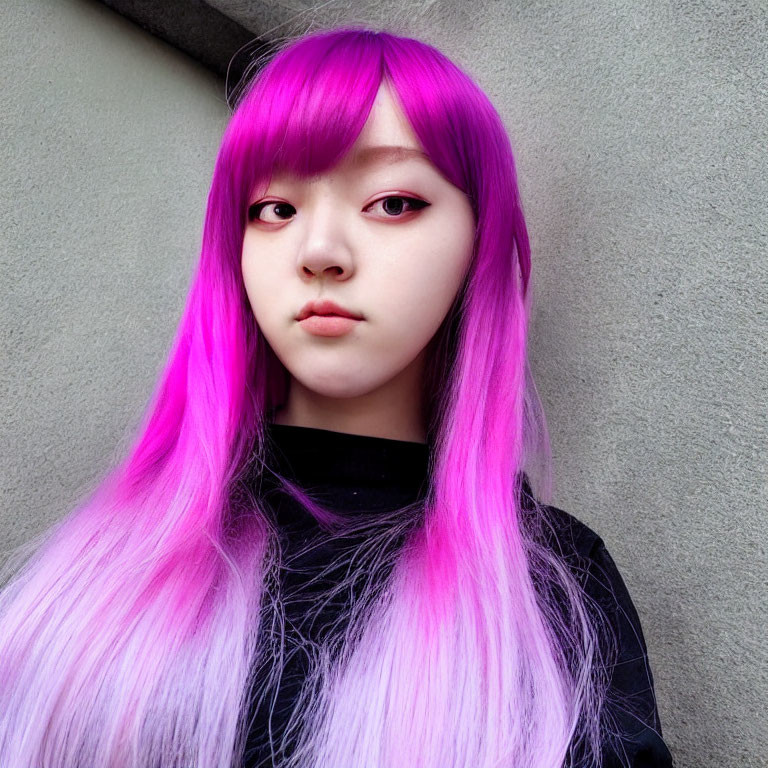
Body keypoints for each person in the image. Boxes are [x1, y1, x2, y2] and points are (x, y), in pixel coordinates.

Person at [0, 25, 673, 768]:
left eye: (390, 202)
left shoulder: (550, 590)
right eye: (275, 209)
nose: (318, 251)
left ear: (477, 243)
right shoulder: (86, 578)